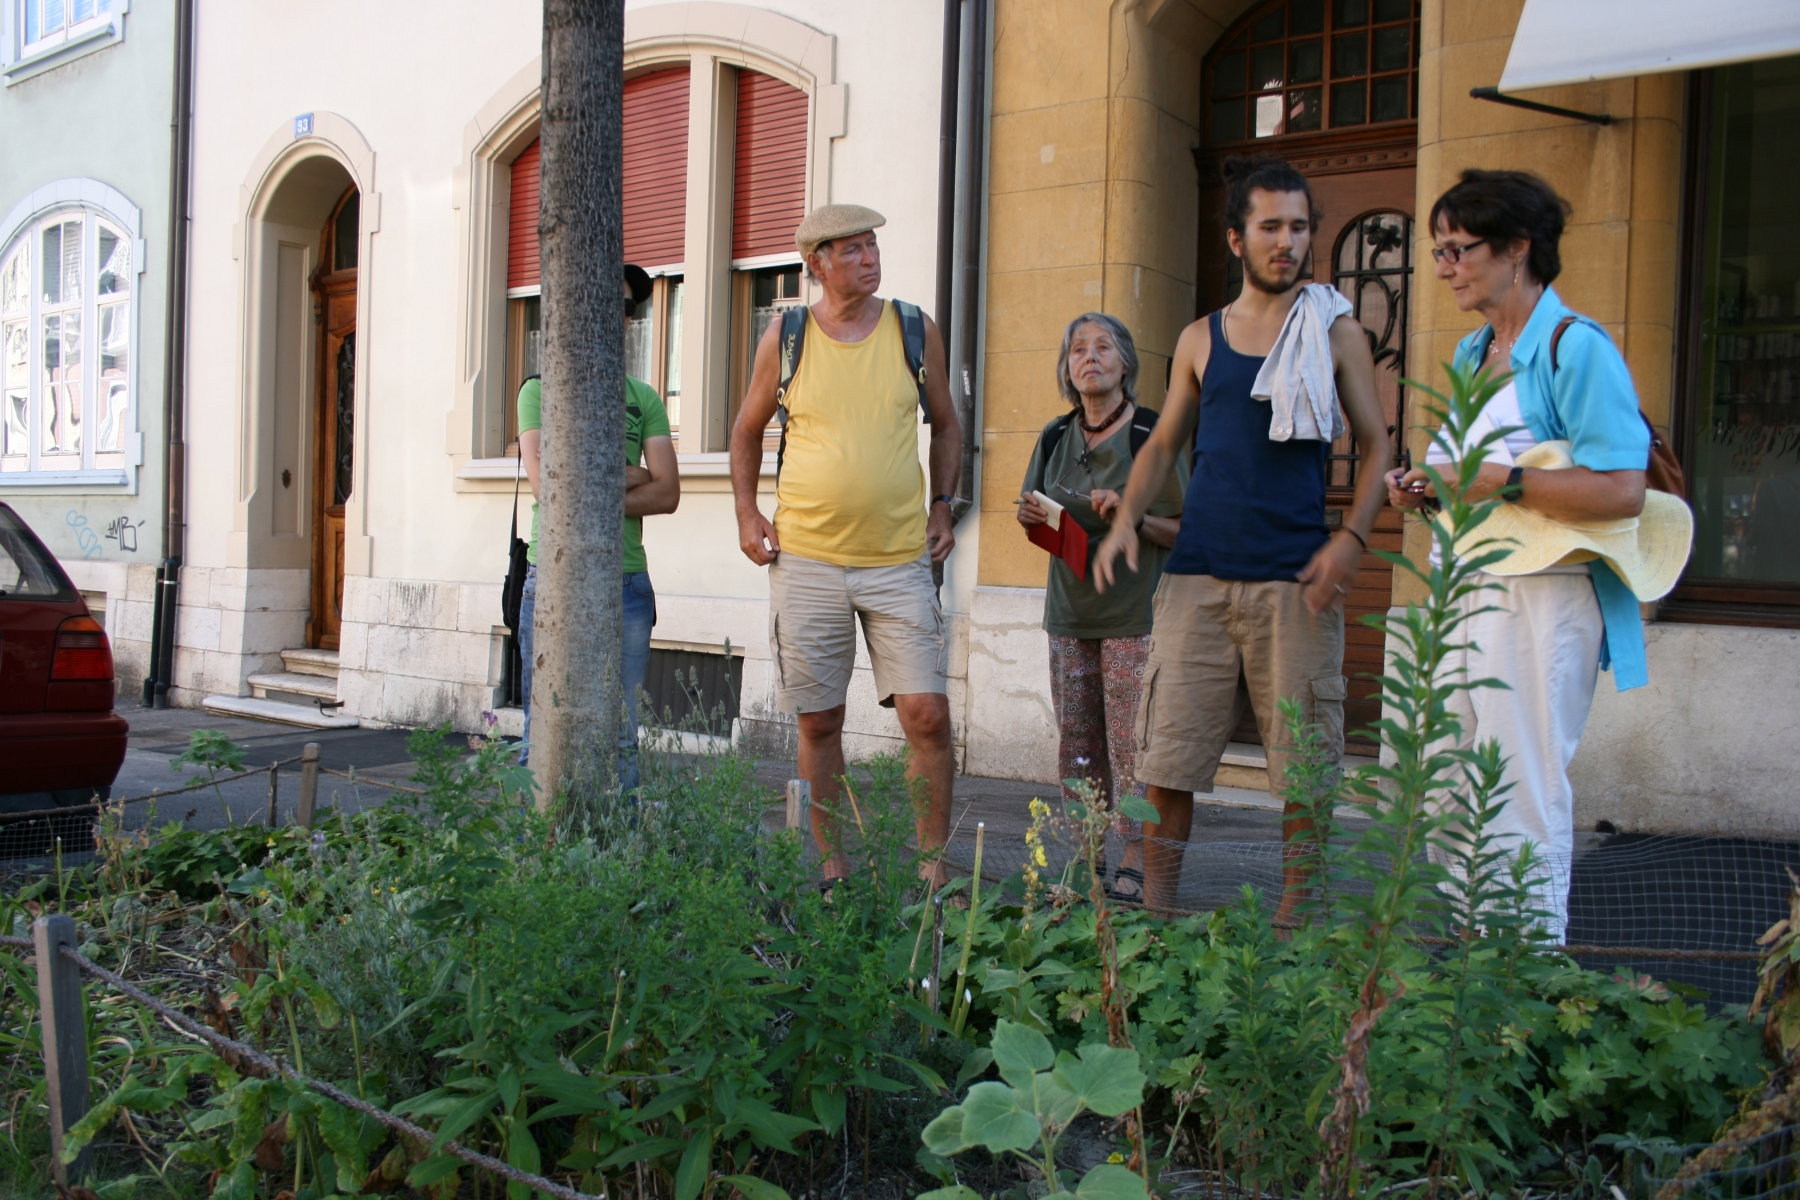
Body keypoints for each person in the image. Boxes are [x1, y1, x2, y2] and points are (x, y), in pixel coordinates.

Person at [1386, 169, 1690, 941]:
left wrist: (1497, 478)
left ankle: (1523, 977)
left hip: (1545, 598)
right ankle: (1467, 962)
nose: (1446, 266)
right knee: (1454, 782)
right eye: (1439, 250)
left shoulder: (1573, 346)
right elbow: (1473, 485)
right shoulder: (1472, 350)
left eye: (1459, 248)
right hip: (1466, 590)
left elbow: (1623, 490)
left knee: (1520, 782)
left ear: (1518, 247)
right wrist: (1428, 490)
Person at [1093, 154, 1390, 915]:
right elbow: (1162, 444)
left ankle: (1300, 927)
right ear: (1236, 240)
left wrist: (1352, 539)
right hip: (1196, 577)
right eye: (1270, 226)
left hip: (1296, 581)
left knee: (1305, 774)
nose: (1286, 241)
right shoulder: (1199, 339)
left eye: (1298, 226)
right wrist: (1127, 518)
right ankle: (1154, 916)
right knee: (1168, 762)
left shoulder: (1335, 332)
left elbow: (1380, 444)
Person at [730, 204, 961, 887]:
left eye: (873, 246)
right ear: (817, 265)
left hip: (898, 559)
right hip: (806, 561)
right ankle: (833, 867)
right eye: (853, 249)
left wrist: (944, 504)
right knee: (820, 720)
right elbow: (745, 430)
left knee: (928, 714)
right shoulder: (788, 334)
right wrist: (746, 513)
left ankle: (932, 871)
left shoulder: (914, 329)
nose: (869, 258)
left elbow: (947, 426)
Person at [1017, 313, 1184, 902]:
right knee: (1078, 744)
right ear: (1067, 368)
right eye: (1078, 350)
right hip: (1069, 612)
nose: (1089, 357)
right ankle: (1081, 859)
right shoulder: (1054, 437)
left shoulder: (1150, 436)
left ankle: (1136, 855)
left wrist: (1131, 514)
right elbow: (1032, 507)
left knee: (1132, 747)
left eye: (1103, 347)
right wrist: (1030, 517)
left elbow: (1185, 529)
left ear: (1126, 363)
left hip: (1134, 616)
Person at [517, 264, 680, 793]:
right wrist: (631, 473)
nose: (618, 317)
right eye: (606, 303)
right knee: (541, 728)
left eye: (628, 308)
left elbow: (669, 492)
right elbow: (552, 491)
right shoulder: (539, 391)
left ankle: (620, 854)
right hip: (555, 579)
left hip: (628, 580)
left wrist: (589, 473)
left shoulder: (645, 397)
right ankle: (537, 856)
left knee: (622, 734)